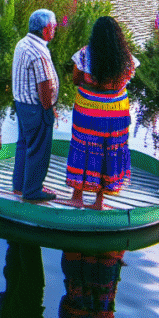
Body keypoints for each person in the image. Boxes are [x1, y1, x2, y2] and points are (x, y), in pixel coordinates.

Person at [65, 16, 139, 210]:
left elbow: (75, 79)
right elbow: (125, 80)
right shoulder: (126, 58)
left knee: (83, 147)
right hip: (116, 113)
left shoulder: (84, 54)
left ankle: (77, 197)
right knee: (109, 150)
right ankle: (99, 201)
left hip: (88, 112)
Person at [11, 8, 59, 202]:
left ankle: (20, 185)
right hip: (35, 108)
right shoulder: (39, 53)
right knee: (39, 150)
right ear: (46, 29)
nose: (55, 30)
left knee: (24, 145)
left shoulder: (23, 44)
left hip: (21, 105)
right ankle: (32, 191)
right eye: (54, 27)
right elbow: (45, 85)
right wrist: (49, 109)